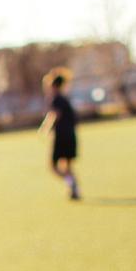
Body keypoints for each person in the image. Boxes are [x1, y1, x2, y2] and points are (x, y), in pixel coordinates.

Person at [39, 67, 80, 201]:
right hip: (71, 134)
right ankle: (73, 188)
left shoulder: (55, 99)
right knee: (67, 165)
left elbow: (54, 115)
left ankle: (71, 183)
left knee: (54, 166)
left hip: (61, 136)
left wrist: (44, 129)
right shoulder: (64, 98)